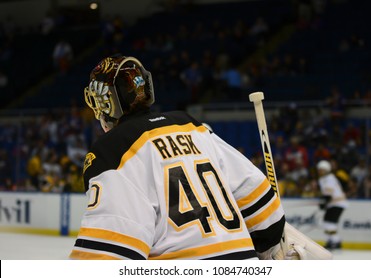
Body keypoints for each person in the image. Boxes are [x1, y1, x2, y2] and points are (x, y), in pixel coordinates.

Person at [69, 54, 286, 260]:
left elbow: (107, 258)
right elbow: (268, 220)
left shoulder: (112, 151)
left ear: (106, 104)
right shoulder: (193, 126)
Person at [316, 160, 348, 249]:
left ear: (326, 170)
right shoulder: (323, 179)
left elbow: (328, 194)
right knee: (327, 222)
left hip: (338, 203)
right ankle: (333, 240)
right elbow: (326, 194)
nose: (319, 171)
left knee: (330, 222)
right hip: (333, 204)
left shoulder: (329, 178)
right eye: (319, 169)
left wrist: (323, 202)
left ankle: (335, 241)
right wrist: (323, 202)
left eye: (321, 169)